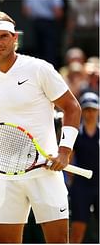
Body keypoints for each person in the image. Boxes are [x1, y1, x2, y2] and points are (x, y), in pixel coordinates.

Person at [0, 10, 81, 243]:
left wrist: (65, 151)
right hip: (6, 176)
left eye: (4, 36)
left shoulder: (39, 68)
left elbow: (72, 107)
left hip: (45, 173)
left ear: (15, 37)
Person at [69, 92, 99, 243]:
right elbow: (68, 159)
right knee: (77, 231)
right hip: (81, 187)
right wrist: (74, 182)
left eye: (93, 109)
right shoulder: (76, 134)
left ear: (98, 111)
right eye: (87, 109)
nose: (90, 113)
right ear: (82, 111)